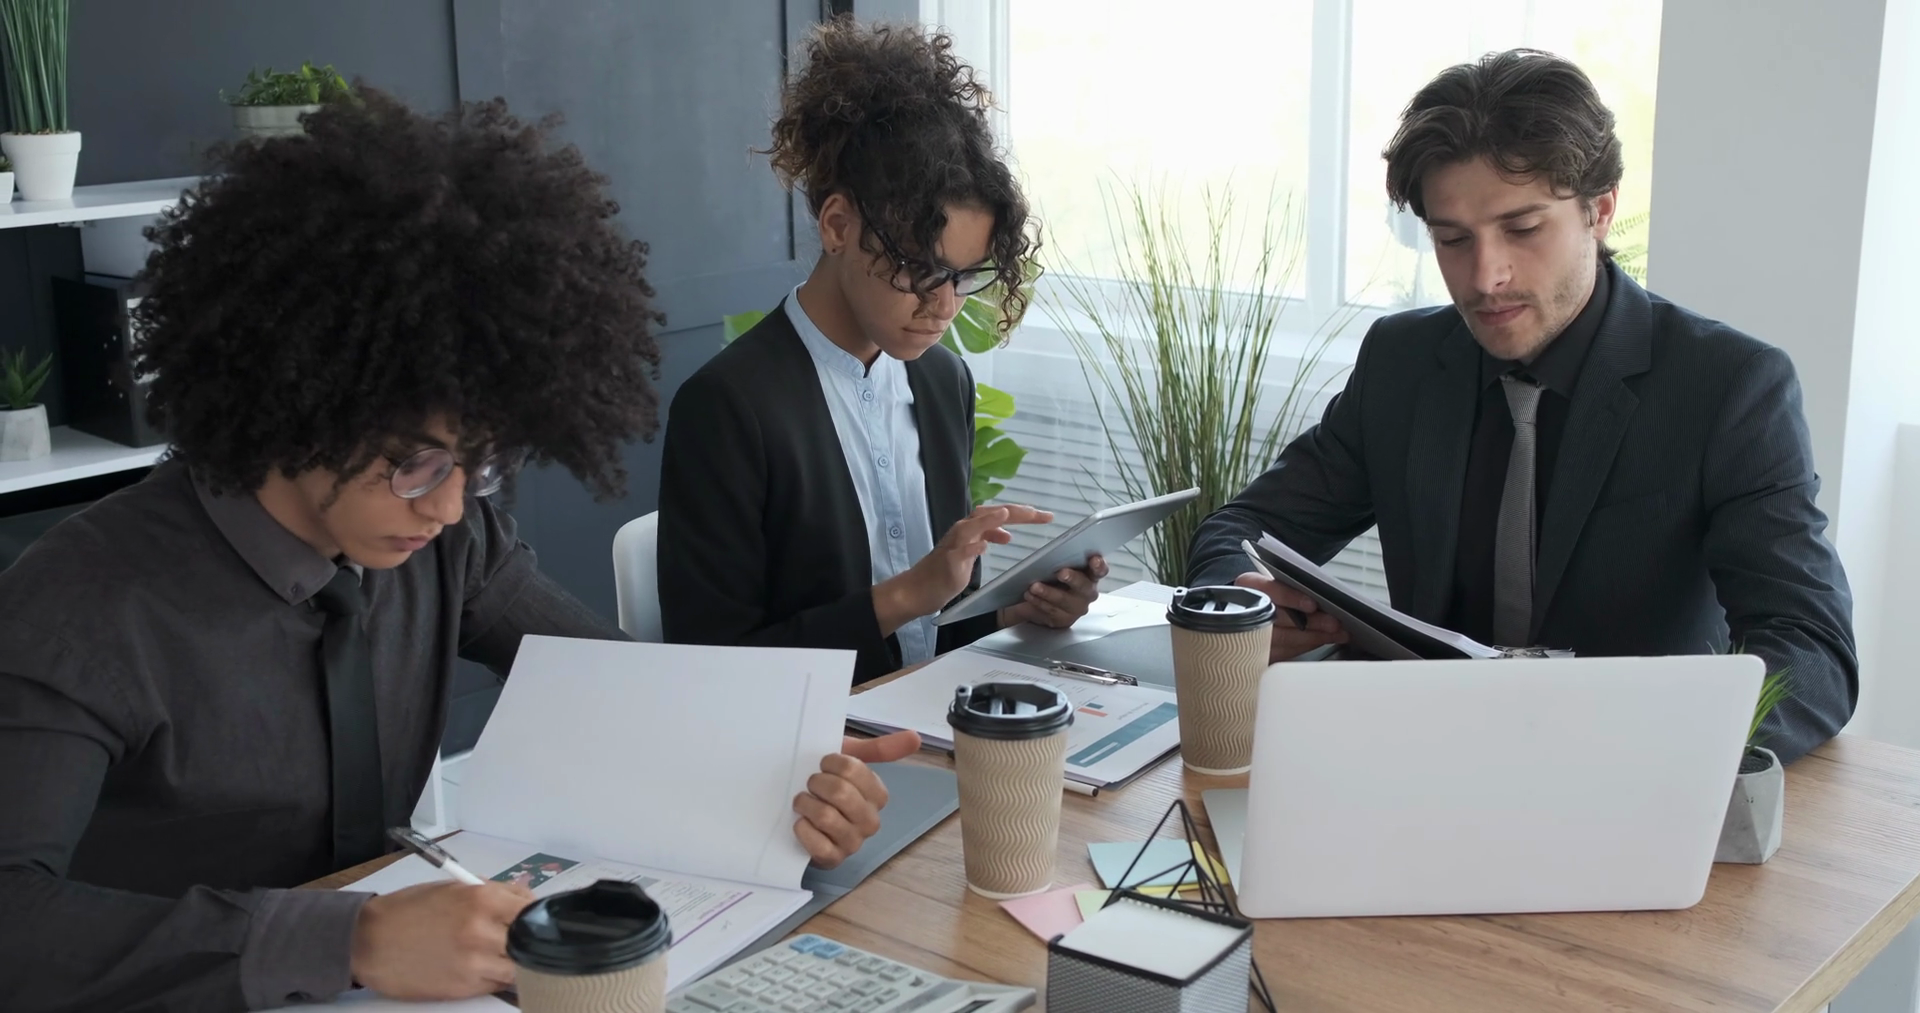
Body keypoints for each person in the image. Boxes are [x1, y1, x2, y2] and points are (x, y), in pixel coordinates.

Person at [0, 90, 918, 1012]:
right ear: (292, 402)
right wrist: (349, 938)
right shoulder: (82, 607)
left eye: (481, 463)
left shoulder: (449, 543)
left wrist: (781, 766)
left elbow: (628, 690)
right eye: (414, 464)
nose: (447, 507)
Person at [1187, 49, 1856, 764]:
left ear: (1600, 209)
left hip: (1626, 775)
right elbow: (1240, 531)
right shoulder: (1401, 362)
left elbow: (1811, 651)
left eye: (1523, 229)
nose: (1486, 276)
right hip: (1420, 763)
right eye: (1452, 239)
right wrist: (1244, 610)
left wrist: (1668, 751)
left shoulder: (1730, 387)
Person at [658, 18, 1107, 685]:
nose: (944, 306)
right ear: (838, 225)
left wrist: (1018, 610)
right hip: (812, 736)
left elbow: (930, 636)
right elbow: (712, 667)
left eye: (963, 276)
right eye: (921, 269)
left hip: (927, 711)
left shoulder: (942, 382)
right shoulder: (727, 407)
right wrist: (907, 594)